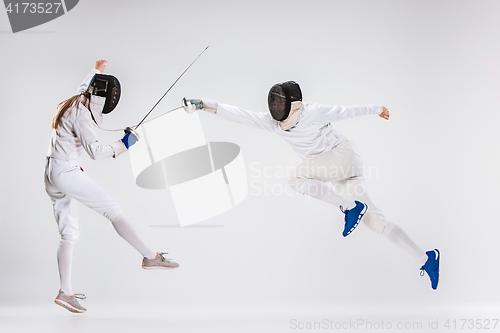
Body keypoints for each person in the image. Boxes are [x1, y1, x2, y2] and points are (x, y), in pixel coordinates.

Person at [183, 81, 440, 290]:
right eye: (273, 101)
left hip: (342, 155)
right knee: (376, 222)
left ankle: (350, 208)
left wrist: (377, 108)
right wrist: (205, 105)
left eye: (280, 101)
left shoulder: (313, 112)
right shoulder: (275, 124)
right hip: (338, 170)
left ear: (293, 103)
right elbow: (242, 115)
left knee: (297, 179)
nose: (275, 106)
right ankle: (426, 258)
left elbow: (347, 110)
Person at [45, 60, 179, 314]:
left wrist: (96, 70)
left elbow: (85, 84)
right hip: (66, 172)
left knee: (69, 234)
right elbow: (96, 152)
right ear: (102, 97)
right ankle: (150, 256)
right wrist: (126, 143)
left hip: (52, 172)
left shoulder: (76, 99)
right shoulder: (82, 114)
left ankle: (66, 292)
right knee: (113, 210)